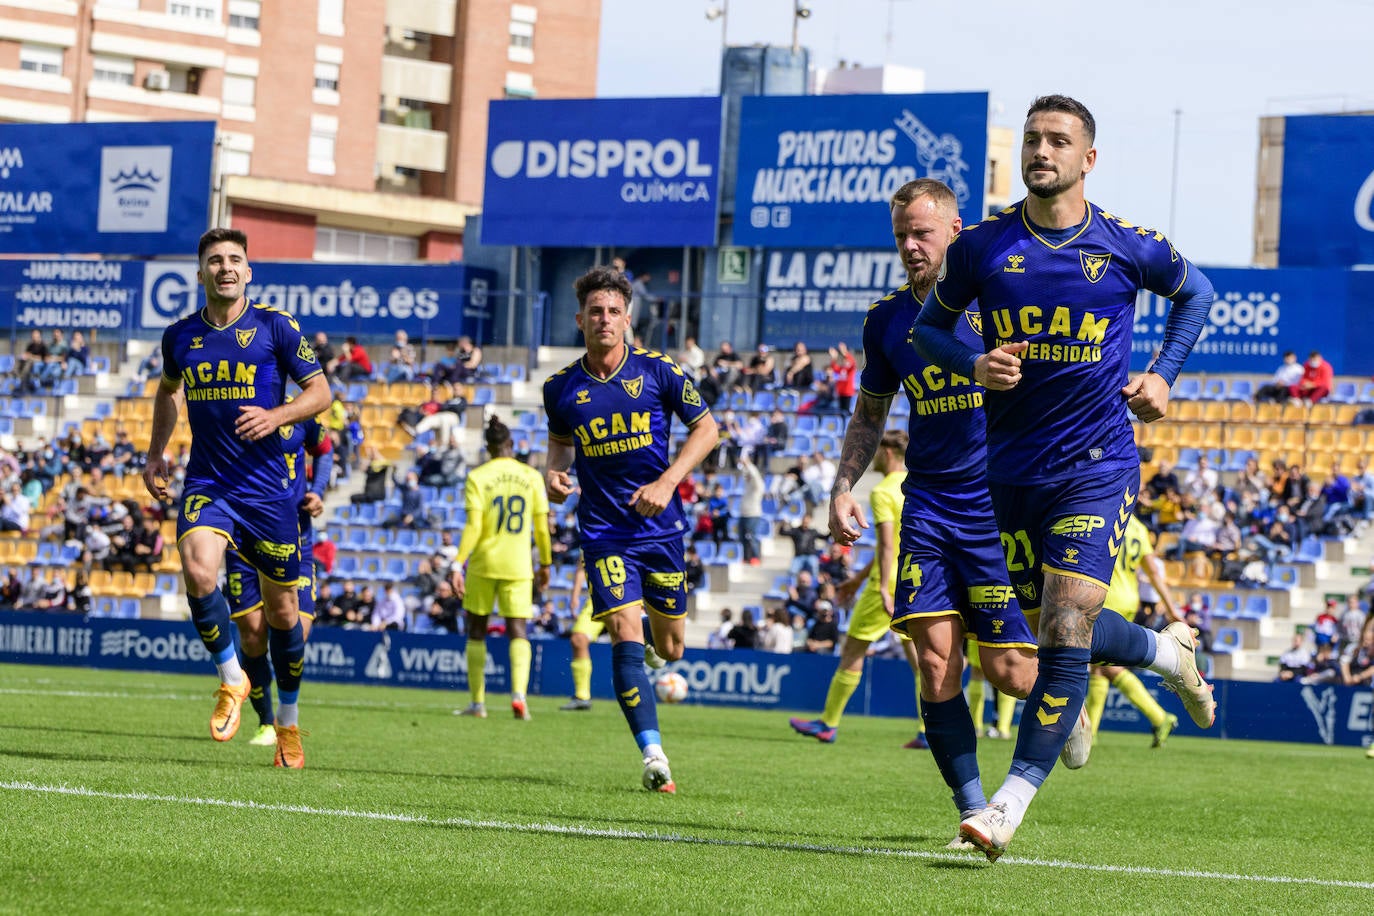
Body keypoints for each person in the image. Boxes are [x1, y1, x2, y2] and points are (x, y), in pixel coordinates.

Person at [913, 95, 1218, 860]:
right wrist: (973, 362)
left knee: (1065, 625)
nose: (1041, 150)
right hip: (1008, 471)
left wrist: (1164, 375)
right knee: (1048, 631)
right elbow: (927, 330)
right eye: (1032, 139)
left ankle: (1007, 805)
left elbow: (1197, 294)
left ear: (1089, 159)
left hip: (1097, 465)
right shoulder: (983, 247)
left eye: (1058, 140)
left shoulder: (1125, 244)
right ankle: (1163, 652)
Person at [827, 179, 1051, 849]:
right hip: (929, 506)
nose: (909, 247)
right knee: (934, 663)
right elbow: (870, 413)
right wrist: (842, 486)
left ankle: (1096, 672)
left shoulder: (1000, 300)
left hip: (1000, 502)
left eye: (922, 233)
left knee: (1016, 676)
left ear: (956, 231)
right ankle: (975, 811)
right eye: (901, 235)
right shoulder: (886, 319)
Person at [142, 227, 331, 769]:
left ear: (249, 272)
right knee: (198, 571)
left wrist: (276, 415)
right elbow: (168, 391)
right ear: (201, 273)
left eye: (235, 260)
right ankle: (232, 679)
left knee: (283, 613)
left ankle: (288, 726)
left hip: (270, 493)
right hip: (209, 483)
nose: (226, 267)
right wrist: (156, 454)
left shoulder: (276, 326)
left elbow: (321, 393)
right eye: (215, 260)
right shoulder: (179, 336)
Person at [543, 264, 719, 793]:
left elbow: (708, 430)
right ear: (580, 320)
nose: (604, 320)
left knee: (672, 647)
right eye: (595, 311)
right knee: (622, 630)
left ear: (627, 319)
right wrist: (553, 475)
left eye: (613, 311)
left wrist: (667, 483)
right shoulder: (560, 388)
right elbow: (559, 446)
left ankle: (650, 654)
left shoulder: (660, 371)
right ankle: (653, 756)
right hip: (603, 532)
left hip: (661, 530)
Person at [792, 430, 929, 746]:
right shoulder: (914, 487)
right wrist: (858, 578)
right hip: (914, 579)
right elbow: (897, 544)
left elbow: (885, 542)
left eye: (879, 451)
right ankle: (928, 731)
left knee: (853, 649)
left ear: (889, 452)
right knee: (920, 658)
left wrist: (880, 586)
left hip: (888, 583)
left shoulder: (883, 491)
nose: (875, 457)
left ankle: (828, 723)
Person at [224, 405, 333, 747]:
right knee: (253, 635)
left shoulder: (300, 412)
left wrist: (319, 489)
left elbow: (325, 450)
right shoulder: (232, 405)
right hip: (242, 539)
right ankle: (266, 722)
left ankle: (289, 719)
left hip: (294, 537)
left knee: (295, 630)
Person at [452, 415, 552, 721]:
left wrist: (458, 563)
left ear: (488, 447)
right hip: (519, 564)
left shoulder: (478, 477)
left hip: (483, 562)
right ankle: (519, 696)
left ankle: (477, 703)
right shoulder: (532, 476)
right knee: (517, 629)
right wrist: (545, 563)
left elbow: (474, 525)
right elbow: (542, 528)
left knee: (477, 631)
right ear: (510, 444)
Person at [1084, 513, 1184, 748]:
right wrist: (1172, 608)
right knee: (1100, 668)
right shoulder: (1138, 527)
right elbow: (1154, 574)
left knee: (1102, 665)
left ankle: (1159, 717)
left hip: (1104, 597)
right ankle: (1090, 733)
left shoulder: (1102, 515)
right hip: (1129, 599)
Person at [560, 564, 603, 711]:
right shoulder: (590, 539)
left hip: (630, 595)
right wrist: (575, 595)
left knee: (632, 641)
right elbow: (581, 565)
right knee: (578, 639)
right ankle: (582, 697)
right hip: (599, 597)